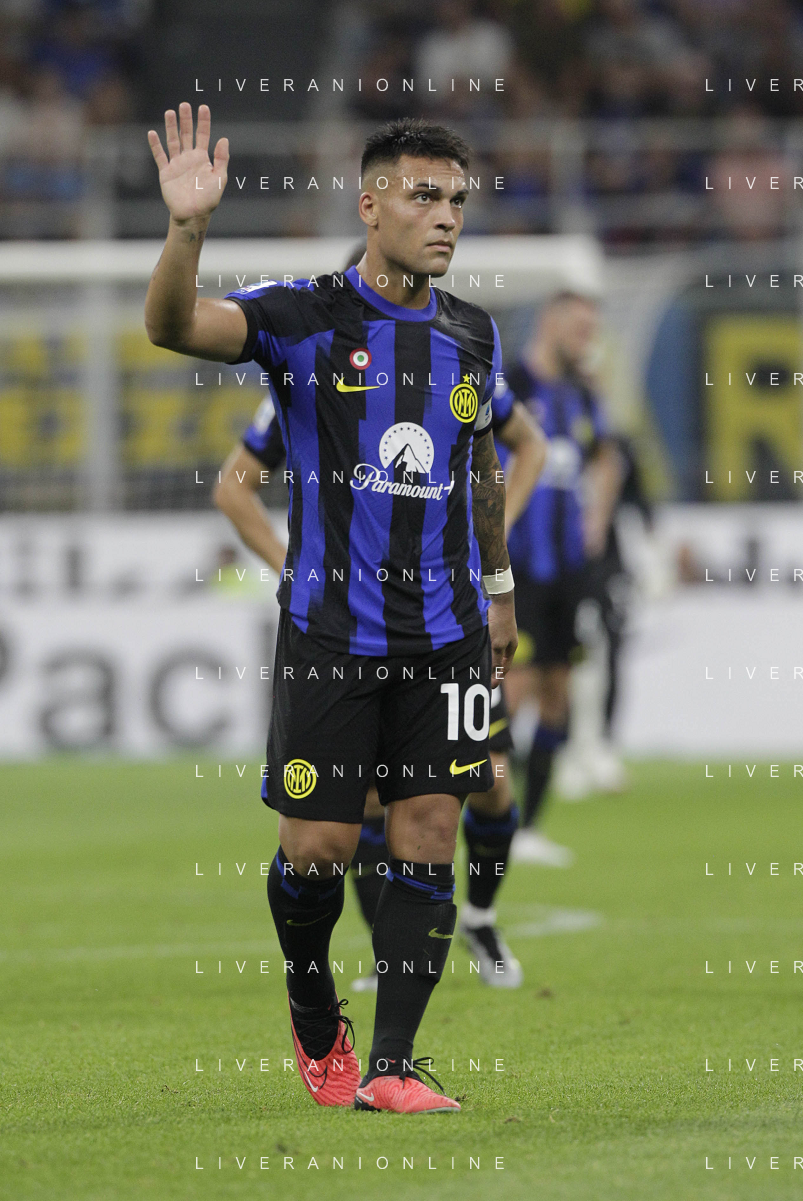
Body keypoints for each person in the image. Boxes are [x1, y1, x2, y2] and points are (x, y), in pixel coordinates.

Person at [146, 105, 518, 1114]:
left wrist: (497, 589)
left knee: (428, 832)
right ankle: (314, 1006)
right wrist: (187, 229)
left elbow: (480, 463)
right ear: (369, 205)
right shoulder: (303, 316)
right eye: (423, 196)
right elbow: (173, 326)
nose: (445, 217)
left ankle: (392, 1065)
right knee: (318, 850)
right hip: (330, 634)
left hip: (445, 635)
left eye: (455, 200)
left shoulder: (472, 332)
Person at [213, 370, 544, 989]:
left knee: (491, 781)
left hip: (449, 620)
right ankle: (387, 955)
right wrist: (296, 569)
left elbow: (529, 444)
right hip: (354, 628)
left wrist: (489, 533)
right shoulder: (309, 370)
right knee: (365, 798)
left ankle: (479, 917)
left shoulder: (453, 358)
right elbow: (235, 486)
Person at [501, 292, 622, 865]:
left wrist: (596, 518)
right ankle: (489, 821)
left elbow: (608, 458)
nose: (587, 340)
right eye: (579, 328)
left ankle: (528, 828)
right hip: (519, 568)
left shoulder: (581, 395)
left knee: (557, 697)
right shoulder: (510, 384)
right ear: (550, 323)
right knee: (511, 691)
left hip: (568, 571)